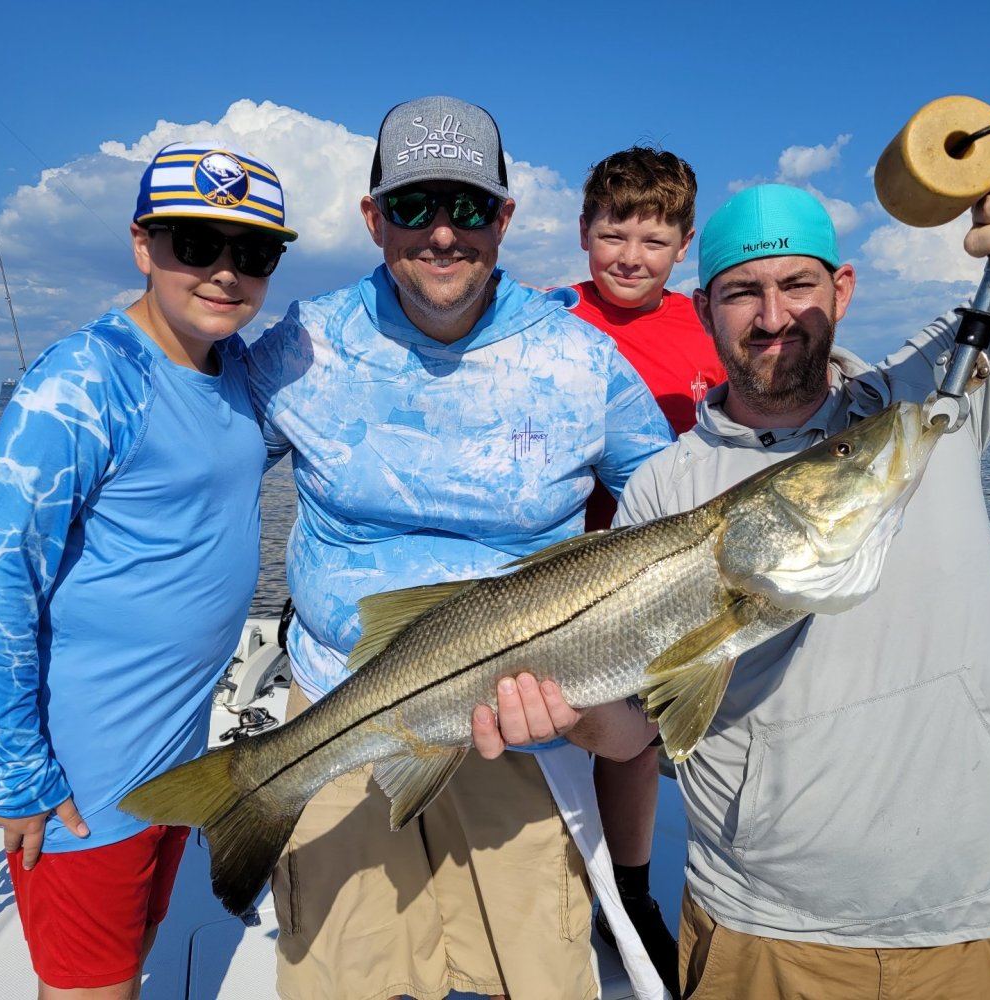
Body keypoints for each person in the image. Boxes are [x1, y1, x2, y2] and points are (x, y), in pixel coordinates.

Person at [474, 135, 990, 999]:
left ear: (843, 288)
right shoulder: (662, 488)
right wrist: (565, 715)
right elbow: (638, 730)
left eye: (797, 284)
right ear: (706, 306)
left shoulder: (931, 403)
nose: (773, 315)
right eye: (743, 292)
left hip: (958, 919)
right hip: (757, 925)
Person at [245, 95, 674, 1000]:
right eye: (412, 206)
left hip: (526, 728)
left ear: (505, 219)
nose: (442, 233)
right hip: (339, 701)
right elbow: (191, 470)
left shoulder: (582, 360)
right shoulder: (302, 345)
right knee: (341, 976)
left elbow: (678, 506)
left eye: (469, 207)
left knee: (535, 974)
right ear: (372, 220)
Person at [0, 140, 297, 998]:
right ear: (143, 246)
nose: (223, 273)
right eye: (194, 244)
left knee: (129, 964)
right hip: (84, 780)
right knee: (89, 987)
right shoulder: (82, 380)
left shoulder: (236, 374)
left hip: (178, 757)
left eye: (251, 253)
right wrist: (14, 774)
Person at [568, 145, 724, 993]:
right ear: (583, 231)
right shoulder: (550, 317)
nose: (630, 256)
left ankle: (627, 890)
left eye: (654, 240)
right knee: (565, 726)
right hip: (566, 572)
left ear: (684, 245)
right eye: (613, 232)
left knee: (638, 739)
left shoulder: (708, 332)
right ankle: (561, 878)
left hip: (672, 579)